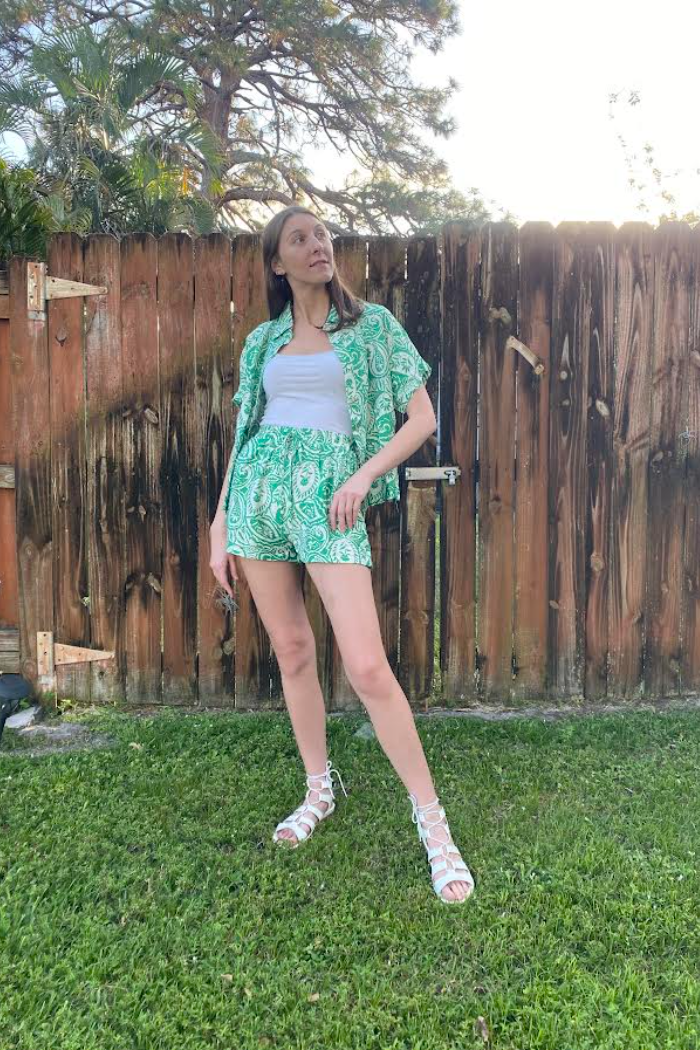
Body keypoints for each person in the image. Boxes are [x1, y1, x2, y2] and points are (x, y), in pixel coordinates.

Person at [208, 205, 474, 904]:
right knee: (293, 651)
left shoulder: (371, 327)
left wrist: (360, 476)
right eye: (299, 239)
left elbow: (422, 420)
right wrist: (219, 524)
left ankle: (434, 825)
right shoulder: (262, 342)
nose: (316, 245)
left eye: (321, 234)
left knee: (366, 666)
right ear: (277, 263)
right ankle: (318, 789)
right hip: (259, 497)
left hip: (329, 498)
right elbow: (243, 435)